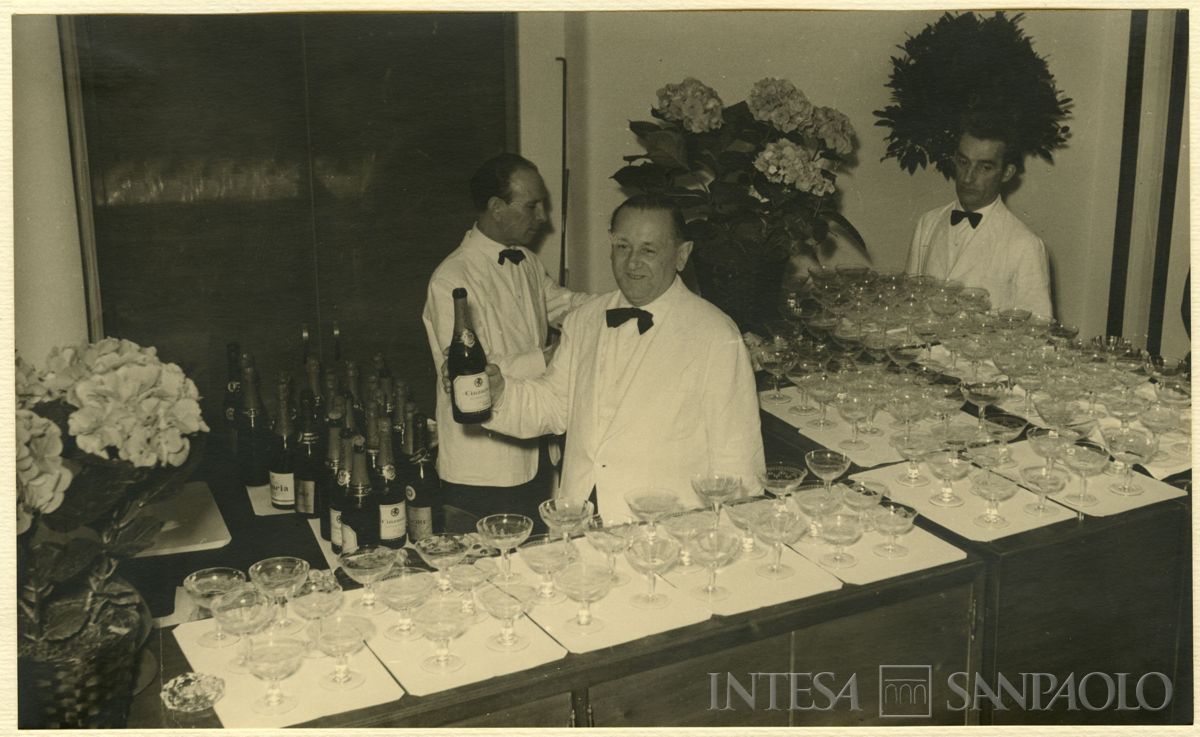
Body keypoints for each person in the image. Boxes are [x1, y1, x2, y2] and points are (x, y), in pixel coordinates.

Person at [469, 194, 765, 519]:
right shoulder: (586, 319)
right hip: (580, 519)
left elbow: (738, 465)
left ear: (682, 255)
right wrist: (497, 393)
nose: (632, 262)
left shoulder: (715, 335)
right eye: (622, 246)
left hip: (664, 532)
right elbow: (553, 404)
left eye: (648, 250)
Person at [422, 153, 593, 525]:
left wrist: (625, 304)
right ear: (497, 208)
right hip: (480, 470)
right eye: (532, 206)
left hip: (535, 459)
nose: (542, 217)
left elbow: (568, 305)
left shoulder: (527, 263)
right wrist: (550, 358)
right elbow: (471, 371)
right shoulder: (451, 279)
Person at [904, 114, 1053, 317]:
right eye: (963, 162)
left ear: (1007, 173)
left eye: (984, 168)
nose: (968, 177)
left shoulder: (1025, 245)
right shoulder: (927, 223)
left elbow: (1036, 334)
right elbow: (909, 306)